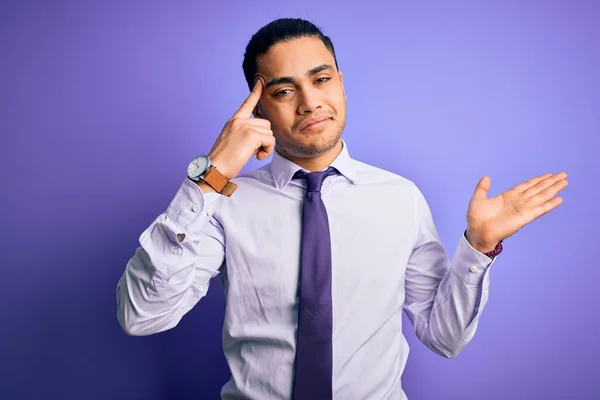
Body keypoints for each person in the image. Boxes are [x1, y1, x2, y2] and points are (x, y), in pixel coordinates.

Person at [116, 18, 568, 400]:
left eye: (321, 79)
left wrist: (479, 247)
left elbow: (443, 336)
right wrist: (209, 176)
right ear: (258, 109)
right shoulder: (223, 202)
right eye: (284, 91)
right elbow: (142, 316)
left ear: (342, 84)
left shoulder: (400, 198)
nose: (310, 102)